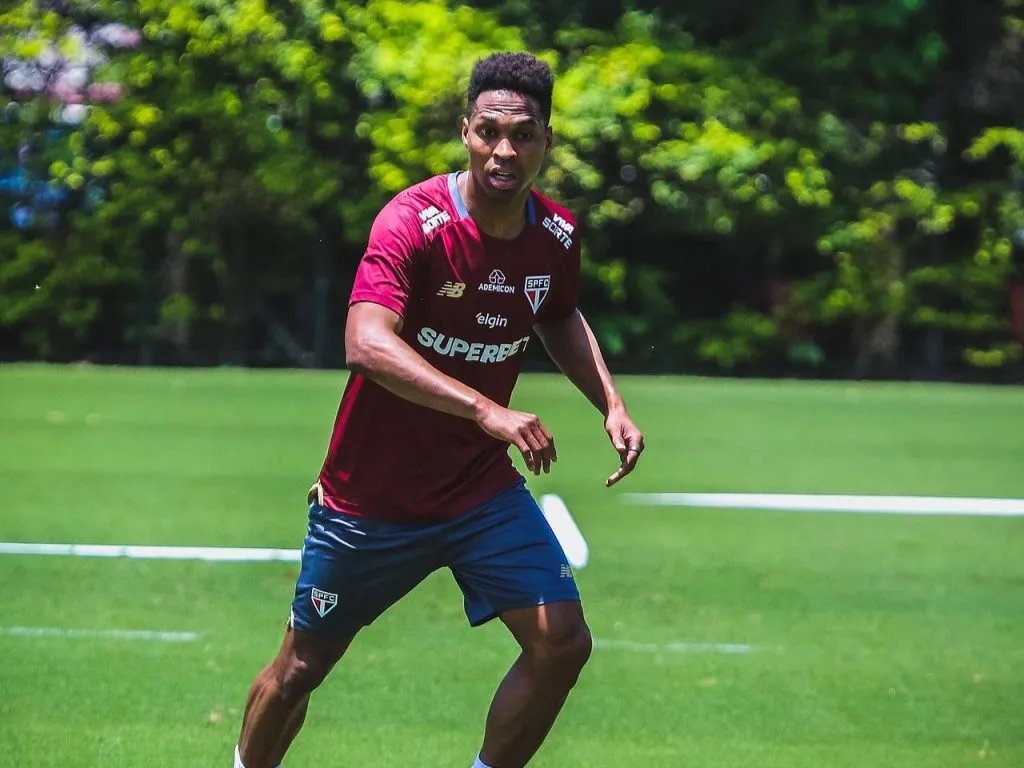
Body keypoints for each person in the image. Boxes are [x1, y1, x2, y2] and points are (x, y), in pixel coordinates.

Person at [233, 51, 645, 768]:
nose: (504, 150)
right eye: (489, 131)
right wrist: (487, 409)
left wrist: (609, 401)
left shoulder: (555, 237)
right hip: (371, 498)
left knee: (562, 642)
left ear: (547, 140)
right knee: (300, 668)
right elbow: (365, 343)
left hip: (477, 491)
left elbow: (559, 315)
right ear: (466, 131)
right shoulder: (413, 222)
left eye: (523, 134)